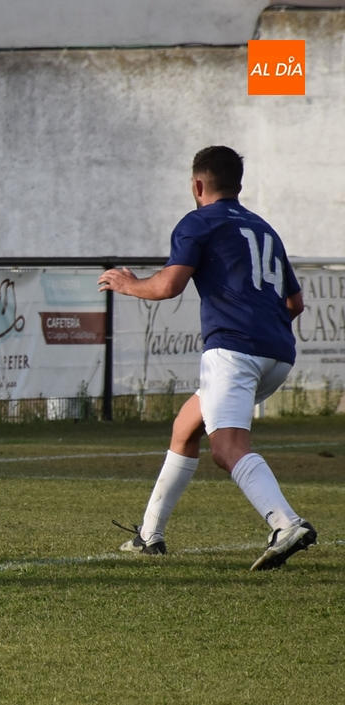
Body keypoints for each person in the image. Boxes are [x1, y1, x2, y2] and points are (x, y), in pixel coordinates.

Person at [98, 145, 315, 571]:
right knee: (186, 427)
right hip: (277, 354)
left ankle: (285, 523)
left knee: (226, 447)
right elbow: (295, 303)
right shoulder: (265, 229)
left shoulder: (198, 222)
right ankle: (149, 536)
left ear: (198, 185)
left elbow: (169, 285)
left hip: (234, 351)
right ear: (238, 185)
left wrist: (128, 284)